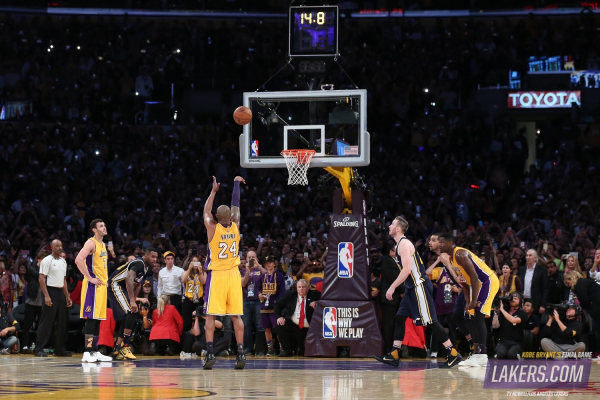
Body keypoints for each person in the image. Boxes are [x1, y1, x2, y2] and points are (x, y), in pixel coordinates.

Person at [375, 218, 461, 368]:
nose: (389, 226)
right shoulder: (400, 244)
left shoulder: (404, 244)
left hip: (419, 286)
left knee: (431, 321)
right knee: (400, 317)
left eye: (392, 224)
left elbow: (407, 270)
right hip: (411, 287)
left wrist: (392, 287)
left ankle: (453, 353)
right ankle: (394, 354)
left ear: (398, 229)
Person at [202, 175, 246, 370]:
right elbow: (236, 204)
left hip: (218, 275)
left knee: (211, 316)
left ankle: (210, 353)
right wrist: (236, 183)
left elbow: (206, 211)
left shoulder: (212, 227)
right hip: (234, 275)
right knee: (236, 316)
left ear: (217, 218)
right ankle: (241, 354)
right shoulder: (236, 224)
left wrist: (213, 191)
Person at [438, 232, 500, 367]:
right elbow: (465, 283)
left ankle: (482, 355)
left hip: (487, 281)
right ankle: (476, 354)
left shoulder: (460, 254)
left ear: (450, 243)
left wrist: (474, 300)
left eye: (442, 242)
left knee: (478, 316)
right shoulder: (453, 259)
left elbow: (474, 277)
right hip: (475, 285)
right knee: (470, 317)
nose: (439, 245)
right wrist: (468, 302)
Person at [107, 247, 158, 361]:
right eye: (152, 257)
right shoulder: (139, 263)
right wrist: (132, 301)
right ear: (146, 256)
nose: (155, 259)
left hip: (122, 288)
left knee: (128, 315)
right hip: (115, 285)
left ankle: (117, 350)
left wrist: (133, 299)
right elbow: (129, 279)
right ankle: (124, 346)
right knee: (132, 312)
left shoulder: (145, 268)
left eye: (156, 257)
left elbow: (138, 283)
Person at [75, 219, 113, 363]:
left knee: (97, 319)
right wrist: (90, 278)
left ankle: (95, 351)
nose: (104, 227)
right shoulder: (91, 243)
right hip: (92, 286)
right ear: (94, 230)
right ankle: (87, 352)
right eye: (101, 226)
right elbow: (78, 260)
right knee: (91, 319)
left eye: (104, 225)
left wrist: (105, 280)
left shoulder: (103, 245)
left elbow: (100, 266)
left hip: (101, 286)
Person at [35, 240, 72, 357]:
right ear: (51, 247)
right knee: (47, 321)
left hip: (60, 292)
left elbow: (64, 280)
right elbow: (41, 279)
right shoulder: (47, 260)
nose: (59, 247)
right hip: (50, 290)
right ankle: (38, 349)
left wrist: (67, 296)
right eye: (57, 246)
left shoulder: (63, 261)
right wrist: (46, 296)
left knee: (61, 322)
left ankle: (59, 349)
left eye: (61, 245)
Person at [274, 279, 320, 357]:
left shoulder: (315, 295)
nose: (301, 289)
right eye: (299, 287)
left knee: (304, 353)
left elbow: (326, 301)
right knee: (280, 326)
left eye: (303, 287)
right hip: (293, 324)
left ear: (308, 288)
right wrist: (279, 317)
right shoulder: (290, 294)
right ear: (297, 288)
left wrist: (317, 303)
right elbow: (277, 305)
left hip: (307, 328)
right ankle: (287, 351)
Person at [565, 270, 600, 353]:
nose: (569, 286)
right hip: (597, 309)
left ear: (571, 278)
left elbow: (584, 301)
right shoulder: (585, 282)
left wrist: (578, 309)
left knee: (597, 331)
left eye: (568, 283)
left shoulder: (580, 284)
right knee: (596, 330)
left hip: (597, 310)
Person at [258, 255, 286, 356]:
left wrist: (276, 302)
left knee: (278, 328)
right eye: (266, 263)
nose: (268, 265)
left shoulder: (279, 276)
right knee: (267, 328)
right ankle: (270, 349)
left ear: (274, 263)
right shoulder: (262, 277)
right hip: (264, 307)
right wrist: (260, 295)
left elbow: (282, 292)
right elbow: (258, 289)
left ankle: (282, 348)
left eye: (270, 262)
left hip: (275, 307)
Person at [378, 240, 403, 351]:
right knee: (389, 325)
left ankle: (394, 349)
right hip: (389, 299)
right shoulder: (388, 262)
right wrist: (407, 289)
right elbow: (394, 280)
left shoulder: (395, 262)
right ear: (391, 252)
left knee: (393, 325)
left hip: (394, 299)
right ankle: (389, 350)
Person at [241, 250, 266, 355]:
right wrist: (247, 272)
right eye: (249, 257)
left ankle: (260, 349)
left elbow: (267, 277)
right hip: (246, 300)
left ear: (257, 258)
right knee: (246, 326)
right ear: (246, 259)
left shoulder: (260, 269)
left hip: (258, 300)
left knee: (260, 326)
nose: (251, 259)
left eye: (253, 257)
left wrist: (258, 265)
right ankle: (248, 348)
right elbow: (243, 284)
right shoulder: (243, 271)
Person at [20, 252, 45, 354]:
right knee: (27, 324)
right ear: (38, 259)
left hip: (42, 302)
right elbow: (39, 275)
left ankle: (38, 346)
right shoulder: (32, 268)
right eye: (43, 259)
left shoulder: (46, 270)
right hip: (31, 301)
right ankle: (24, 346)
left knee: (41, 326)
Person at [493, 292, 528, 359]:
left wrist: (502, 309)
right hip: (503, 341)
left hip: (516, 342)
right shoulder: (503, 312)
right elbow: (495, 326)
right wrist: (496, 312)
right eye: (511, 298)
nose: (513, 300)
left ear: (520, 301)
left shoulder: (523, 313)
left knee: (512, 354)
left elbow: (513, 320)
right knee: (500, 354)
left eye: (516, 298)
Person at [517, 249, 549, 314]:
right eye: (527, 255)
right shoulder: (521, 269)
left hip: (536, 301)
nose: (528, 257)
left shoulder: (542, 270)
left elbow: (546, 289)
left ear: (535, 258)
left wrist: (543, 305)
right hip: (523, 300)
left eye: (530, 255)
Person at [180, 254, 206, 332]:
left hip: (199, 298)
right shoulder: (186, 272)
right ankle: (187, 336)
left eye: (197, 262)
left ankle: (199, 336)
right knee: (187, 321)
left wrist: (200, 271)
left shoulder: (203, 273)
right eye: (194, 261)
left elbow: (203, 282)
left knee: (199, 320)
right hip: (189, 298)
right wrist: (189, 268)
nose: (195, 264)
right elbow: (183, 280)